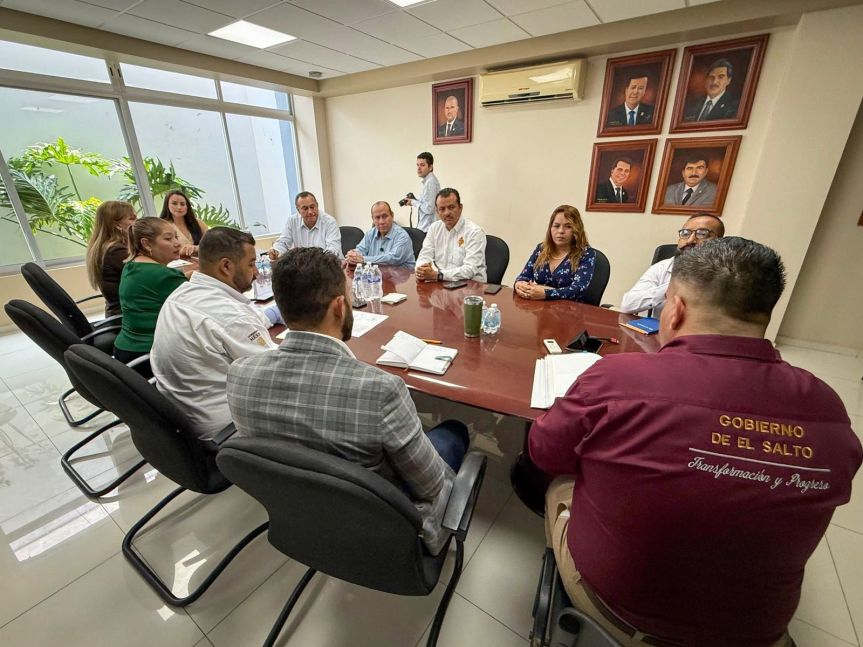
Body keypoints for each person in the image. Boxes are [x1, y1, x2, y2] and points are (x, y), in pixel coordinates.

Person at [530, 237, 862, 647]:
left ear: (676, 308)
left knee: (555, 482)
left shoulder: (615, 378)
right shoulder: (828, 407)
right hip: (757, 633)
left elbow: (545, 452)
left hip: (619, 610)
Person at [226, 247, 471, 555]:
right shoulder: (381, 390)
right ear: (340, 307)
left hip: (298, 518)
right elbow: (432, 486)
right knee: (453, 432)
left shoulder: (239, 374)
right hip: (381, 532)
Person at [150, 227, 277, 441]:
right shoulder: (231, 317)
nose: (255, 272)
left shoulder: (180, 294)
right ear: (226, 266)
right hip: (224, 431)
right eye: (251, 264)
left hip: (180, 419)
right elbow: (276, 375)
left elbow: (232, 324)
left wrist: (272, 315)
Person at [113, 217, 186, 365]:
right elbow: (203, 306)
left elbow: (155, 286)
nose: (177, 243)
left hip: (126, 349)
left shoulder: (132, 265)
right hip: (149, 354)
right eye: (168, 238)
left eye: (176, 237)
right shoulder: (164, 276)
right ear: (146, 244)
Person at [620, 212, 724, 317]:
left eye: (702, 234)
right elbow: (628, 304)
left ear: (719, 242)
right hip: (660, 331)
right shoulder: (663, 267)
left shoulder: (728, 272)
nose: (690, 240)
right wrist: (673, 286)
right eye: (685, 234)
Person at [514, 206, 596, 301]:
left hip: (569, 310)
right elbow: (524, 276)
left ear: (576, 229)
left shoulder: (586, 254)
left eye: (568, 226)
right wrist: (519, 285)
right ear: (550, 228)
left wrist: (546, 294)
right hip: (538, 307)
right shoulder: (541, 249)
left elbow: (578, 289)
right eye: (556, 226)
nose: (561, 231)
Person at [415, 188, 486, 283]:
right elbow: (424, 256)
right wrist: (422, 269)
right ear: (437, 212)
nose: (447, 213)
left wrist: (438, 275)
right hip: (440, 284)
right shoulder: (434, 228)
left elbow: (470, 270)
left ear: (460, 208)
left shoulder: (475, 232)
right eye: (442, 209)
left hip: (469, 287)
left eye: (451, 207)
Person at [85, 200, 137, 317]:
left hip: (119, 310)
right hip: (126, 317)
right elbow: (147, 276)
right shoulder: (116, 251)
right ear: (117, 225)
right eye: (132, 218)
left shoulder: (106, 247)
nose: (137, 222)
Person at [268, 191, 342, 260]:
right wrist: (277, 251)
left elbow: (333, 250)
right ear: (298, 210)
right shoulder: (292, 221)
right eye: (305, 208)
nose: (310, 212)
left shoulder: (329, 222)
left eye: (312, 207)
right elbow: (283, 243)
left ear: (317, 205)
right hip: (304, 267)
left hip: (328, 266)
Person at [345, 201, 415, 268]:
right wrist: (353, 255)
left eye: (384, 216)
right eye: (377, 217)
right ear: (373, 219)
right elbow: (361, 249)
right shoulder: (370, 233)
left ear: (392, 216)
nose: (381, 221)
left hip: (402, 277)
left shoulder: (402, 236)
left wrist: (363, 259)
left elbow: (393, 259)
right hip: (377, 275)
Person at [682, 57, 740, 122]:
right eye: (711, 77)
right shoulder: (692, 104)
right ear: (706, 80)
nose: (714, 82)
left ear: (728, 80)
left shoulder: (734, 107)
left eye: (720, 77)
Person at [159, 189, 208, 258]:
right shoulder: (162, 226)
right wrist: (181, 251)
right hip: (176, 264)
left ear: (187, 207)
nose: (179, 207)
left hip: (201, 262)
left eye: (182, 204)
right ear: (167, 205)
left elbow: (211, 243)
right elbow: (161, 252)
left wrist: (196, 248)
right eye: (174, 203)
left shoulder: (198, 223)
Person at [403, 152, 440, 232]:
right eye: (417, 165)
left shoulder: (430, 182)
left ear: (430, 167)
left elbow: (429, 209)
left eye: (422, 165)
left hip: (428, 229)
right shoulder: (426, 181)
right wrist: (414, 200)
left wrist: (413, 202)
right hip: (424, 227)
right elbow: (426, 202)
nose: (419, 168)